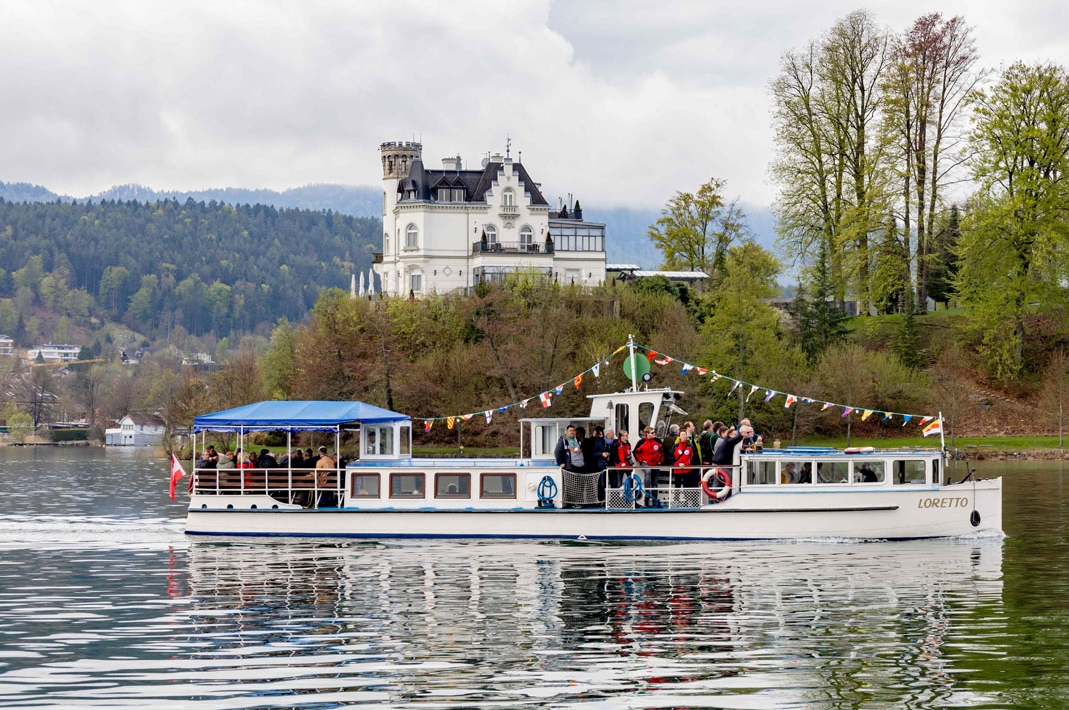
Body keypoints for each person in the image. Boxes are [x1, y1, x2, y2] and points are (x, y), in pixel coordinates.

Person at [633, 426, 664, 506]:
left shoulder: (657, 441)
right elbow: (635, 452)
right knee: (648, 471)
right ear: (647, 434)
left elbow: (662, 451)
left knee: (655, 483)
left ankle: (654, 500)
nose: (654, 434)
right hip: (646, 463)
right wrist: (641, 460)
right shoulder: (641, 442)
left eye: (654, 432)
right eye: (652, 432)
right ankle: (647, 493)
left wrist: (661, 460)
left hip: (655, 463)